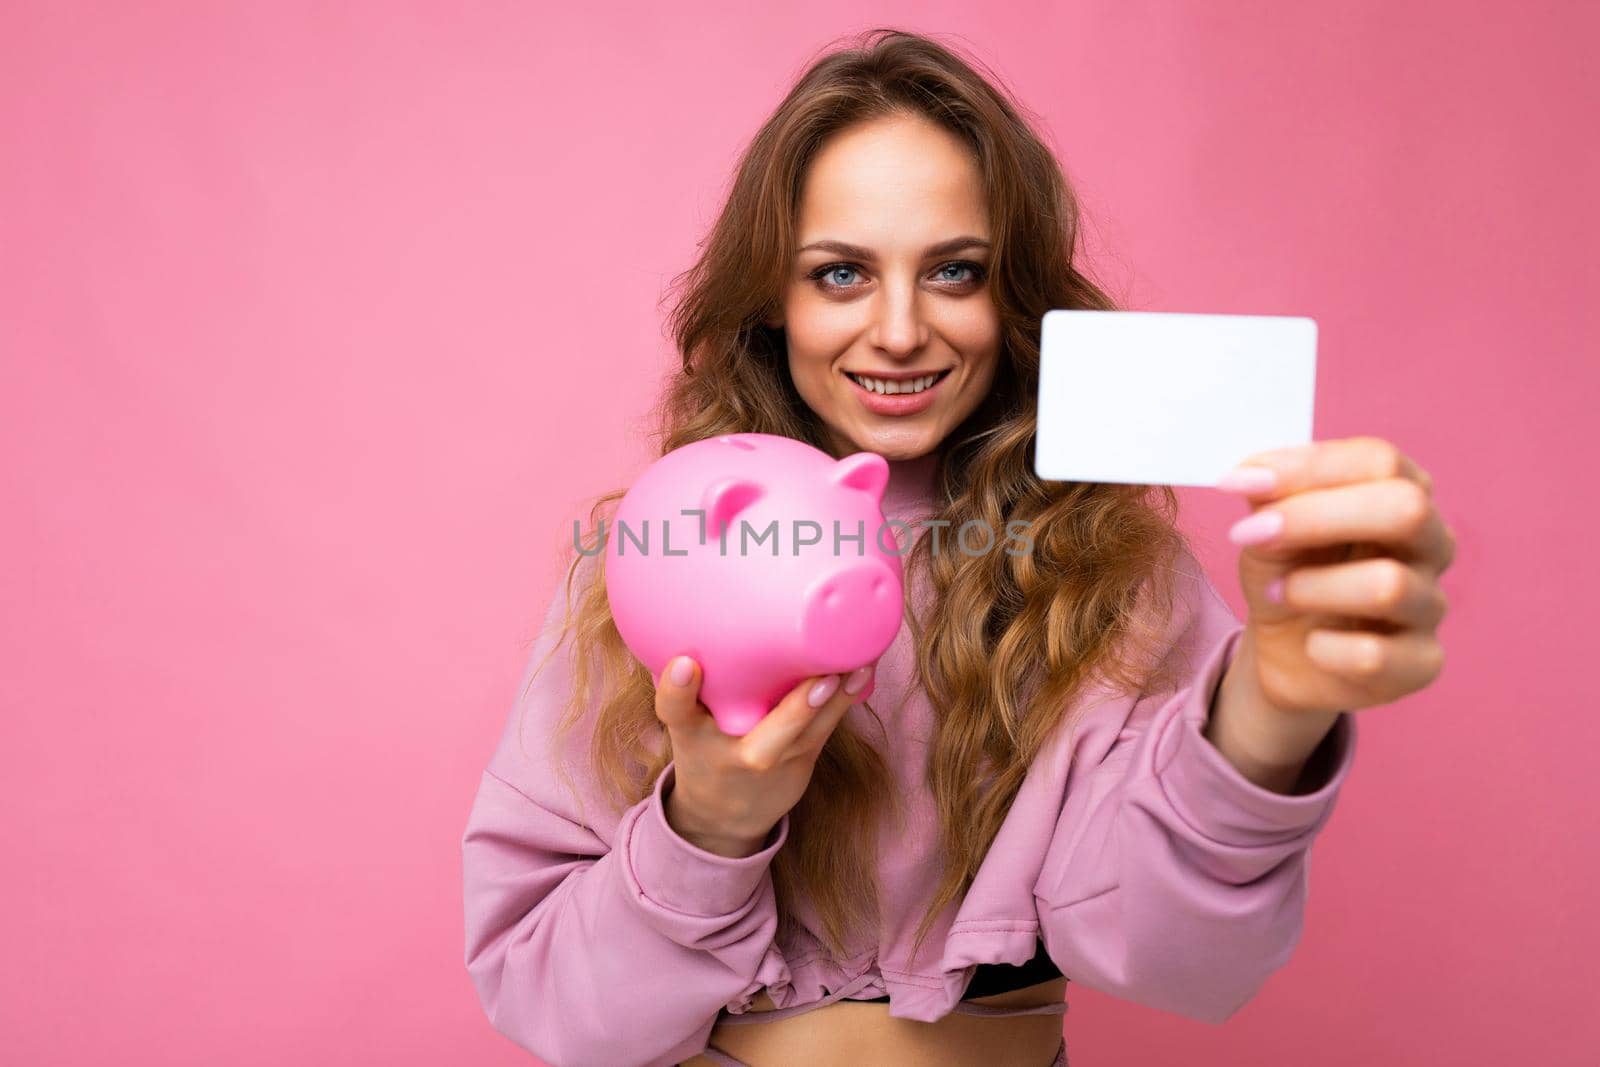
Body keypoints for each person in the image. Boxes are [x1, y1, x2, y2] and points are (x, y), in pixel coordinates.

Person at [461, 27, 1455, 1067]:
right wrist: (708, 824)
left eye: (953, 270)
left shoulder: (1113, 574)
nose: (898, 330)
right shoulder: (651, 555)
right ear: (772, 300)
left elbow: (1182, 961)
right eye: (841, 272)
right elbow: (558, 1010)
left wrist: (1269, 700)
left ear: (1013, 293)